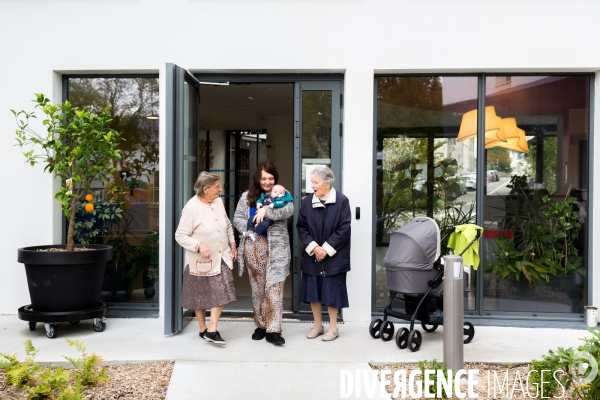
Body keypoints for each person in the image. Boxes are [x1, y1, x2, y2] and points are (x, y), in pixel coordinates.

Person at [233, 161, 293, 346]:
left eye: (271, 178)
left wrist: (266, 209)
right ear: (258, 179)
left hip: (277, 250)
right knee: (258, 289)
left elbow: (288, 211)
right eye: (264, 178)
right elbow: (237, 219)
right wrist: (250, 228)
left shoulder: (282, 195)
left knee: (274, 289)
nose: (267, 182)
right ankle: (260, 325)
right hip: (254, 248)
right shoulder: (247, 197)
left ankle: (273, 330)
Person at [175, 172, 237, 345]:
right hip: (199, 261)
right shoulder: (191, 208)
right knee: (199, 295)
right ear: (206, 189)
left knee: (222, 291)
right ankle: (203, 329)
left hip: (221, 256)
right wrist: (199, 245)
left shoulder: (217, 201)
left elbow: (227, 224)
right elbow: (180, 235)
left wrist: (232, 244)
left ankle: (212, 329)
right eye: (217, 187)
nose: (220, 189)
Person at [296, 166, 351, 342]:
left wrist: (325, 249)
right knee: (314, 290)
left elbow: (344, 228)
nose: (312, 185)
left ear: (327, 184)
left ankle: (333, 328)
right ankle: (318, 325)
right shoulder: (307, 202)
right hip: (313, 255)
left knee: (332, 292)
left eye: (315, 182)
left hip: (334, 257)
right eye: (311, 182)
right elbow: (301, 227)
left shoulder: (342, 201)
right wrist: (314, 248)